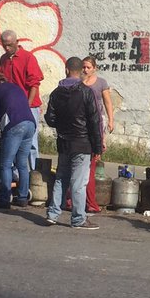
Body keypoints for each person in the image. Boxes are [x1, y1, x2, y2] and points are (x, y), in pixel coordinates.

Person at [44, 56, 102, 229]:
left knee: (61, 178)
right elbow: (95, 121)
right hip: (82, 143)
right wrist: (97, 146)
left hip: (64, 142)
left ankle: (53, 214)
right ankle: (78, 219)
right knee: (78, 182)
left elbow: (50, 118)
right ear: (79, 71)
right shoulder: (86, 92)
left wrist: (62, 124)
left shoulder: (56, 93)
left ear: (67, 69)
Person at [0, 72, 35, 209]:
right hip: (30, 124)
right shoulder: (16, 87)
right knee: (22, 163)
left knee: (6, 164)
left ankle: (5, 199)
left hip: (15, 125)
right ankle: (23, 198)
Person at [0, 29, 44, 169]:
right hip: (10, 107)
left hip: (29, 105)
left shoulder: (28, 58)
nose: (7, 48)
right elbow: (1, 82)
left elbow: (34, 83)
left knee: (31, 143)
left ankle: (33, 175)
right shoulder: (3, 59)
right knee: (10, 140)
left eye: (10, 45)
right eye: (4, 45)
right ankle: (17, 175)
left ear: (17, 42)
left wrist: (27, 105)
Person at [81, 56, 115, 214]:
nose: (85, 70)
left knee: (94, 161)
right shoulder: (79, 82)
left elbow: (108, 102)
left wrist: (111, 120)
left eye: (88, 67)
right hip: (81, 125)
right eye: (84, 67)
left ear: (94, 68)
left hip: (96, 123)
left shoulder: (101, 82)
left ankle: (91, 201)